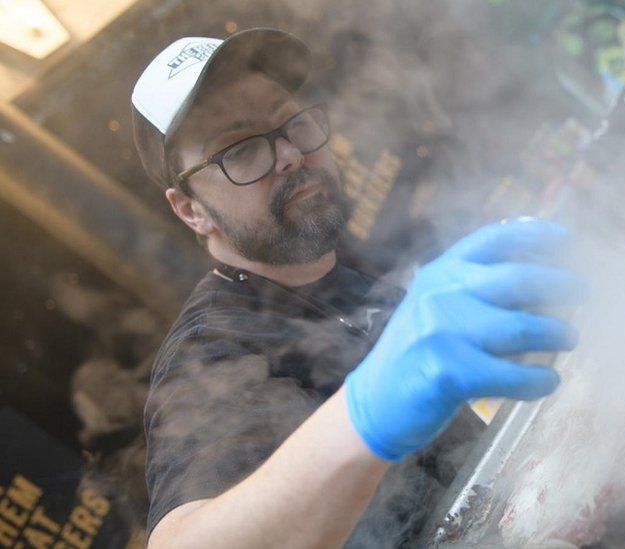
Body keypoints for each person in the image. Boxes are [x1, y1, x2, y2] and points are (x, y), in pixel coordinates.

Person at [131, 28, 586, 548]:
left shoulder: (332, 269)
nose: (288, 155)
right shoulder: (211, 349)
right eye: (237, 150)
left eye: (292, 123)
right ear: (190, 210)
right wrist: (364, 412)